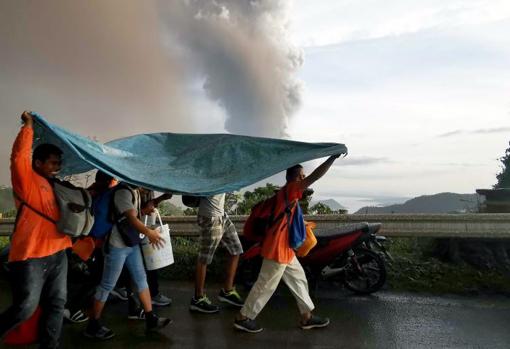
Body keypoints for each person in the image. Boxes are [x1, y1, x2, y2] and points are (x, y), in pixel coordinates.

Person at [234, 155, 341, 333]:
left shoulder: (286, 195)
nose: (303, 178)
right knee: (266, 284)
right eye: (301, 176)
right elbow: (314, 177)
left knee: (298, 279)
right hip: (277, 248)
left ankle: (307, 317)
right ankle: (243, 317)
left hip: (285, 248)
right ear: (293, 178)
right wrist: (331, 159)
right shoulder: (291, 190)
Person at [0, 111, 72, 348]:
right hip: (31, 256)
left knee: (57, 304)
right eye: (52, 162)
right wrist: (28, 126)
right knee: (25, 307)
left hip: (59, 252)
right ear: (38, 163)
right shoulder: (26, 179)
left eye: (58, 163)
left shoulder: (57, 186)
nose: (56, 167)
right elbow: (19, 156)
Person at [84, 183, 170, 340]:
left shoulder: (133, 191)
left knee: (141, 278)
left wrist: (146, 209)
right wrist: (149, 232)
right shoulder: (123, 192)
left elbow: (132, 215)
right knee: (107, 285)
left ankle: (151, 318)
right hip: (118, 245)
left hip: (130, 242)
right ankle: (93, 324)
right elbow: (130, 218)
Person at [190, 194, 244, 313]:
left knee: (236, 249)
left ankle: (227, 291)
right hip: (210, 217)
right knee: (204, 258)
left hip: (222, 215)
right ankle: (198, 298)